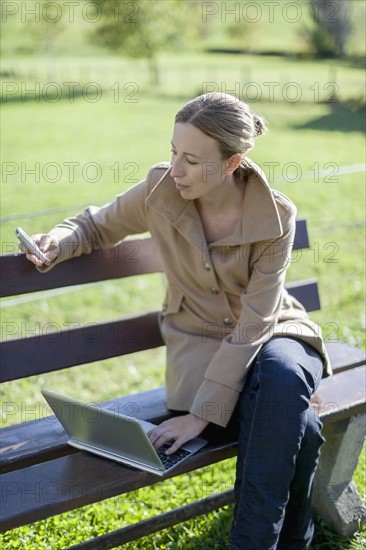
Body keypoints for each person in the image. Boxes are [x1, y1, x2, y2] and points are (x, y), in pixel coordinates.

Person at [23, 92, 331, 549]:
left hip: (273, 331)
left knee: (285, 377)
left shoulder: (276, 215)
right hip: (200, 350)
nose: (176, 168)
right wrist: (58, 242)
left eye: (190, 158)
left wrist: (202, 416)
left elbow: (257, 320)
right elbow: (96, 225)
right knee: (298, 426)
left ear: (231, 163)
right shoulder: (159, 188)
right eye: (172, 151)